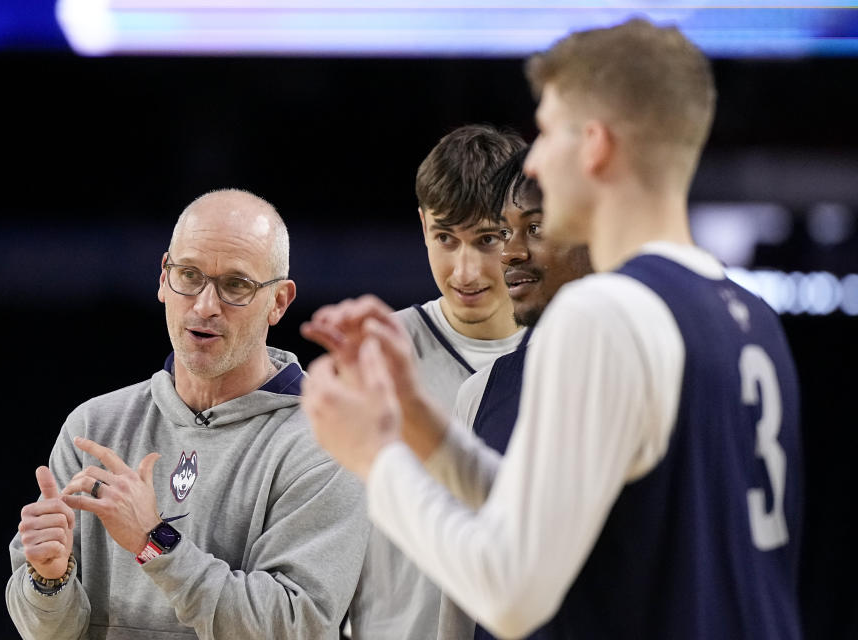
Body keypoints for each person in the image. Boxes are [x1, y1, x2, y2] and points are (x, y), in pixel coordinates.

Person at [301, 18, 803, 640]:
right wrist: (417, 422)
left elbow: (511, 594)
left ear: (594, 144)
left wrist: (374, 456)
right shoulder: (749, 313)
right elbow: (550, 516)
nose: (533, 160)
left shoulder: (602, 313)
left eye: (544, 132)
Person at [6, 189, 369, 639]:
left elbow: (294, 625)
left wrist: (153, 542)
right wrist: (47, 579)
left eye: (236, 285)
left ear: (279, 301)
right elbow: (50, 631)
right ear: (164, 278)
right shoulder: (93, 426)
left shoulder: (328, 443)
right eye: (190, 275)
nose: (204, 305)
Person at [313, 124, 528, 640]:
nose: (465, 270)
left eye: (487, 240)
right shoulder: (376, 358)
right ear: (422, 226)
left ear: (523, 229)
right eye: (445, 239)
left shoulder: (564, 358)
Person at [453, 147, 592, 457]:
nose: (509, 253)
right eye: (504, 232)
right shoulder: (480, 394)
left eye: (535, 228)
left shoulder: (654, 371)